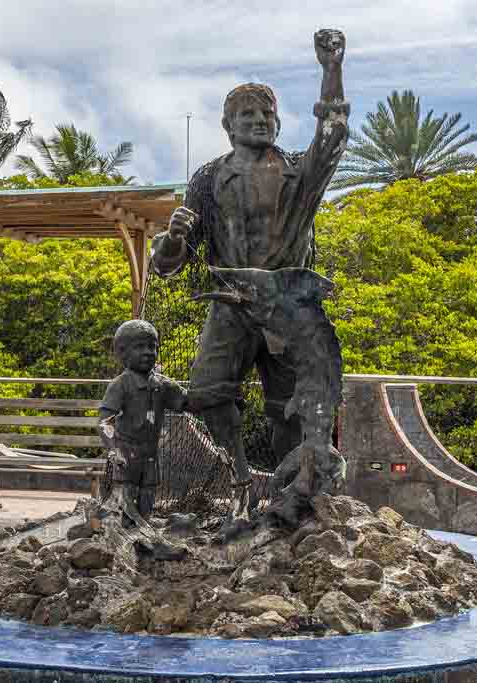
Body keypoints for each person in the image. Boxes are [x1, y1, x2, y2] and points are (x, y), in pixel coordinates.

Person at [149, 29, 349, 515]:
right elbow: (170, 266)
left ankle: (294, 494)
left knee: (291, 407)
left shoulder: (300, 172)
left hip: (288, 305)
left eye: (268, 114)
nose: (260, 121)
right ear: (228, 125)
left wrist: (331, 70)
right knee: (207, 393)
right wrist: (173, 239)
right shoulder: (208, 179)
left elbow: (333, 135)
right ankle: (239, 477)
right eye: (248, 115)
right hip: (232, 303)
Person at [98, 319, 186, 526]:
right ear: (123, 353)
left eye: (152, 347)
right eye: (140, 347)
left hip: (150, 454)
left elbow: (187, 401)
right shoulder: (121, 385)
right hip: (126, 453)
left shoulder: (162, 384)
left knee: (148, 490)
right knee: (126, 491)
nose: (148, 352)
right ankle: (126, 527)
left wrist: (219, 398)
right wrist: (114, 449)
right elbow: (104, 422)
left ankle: (144, 526)